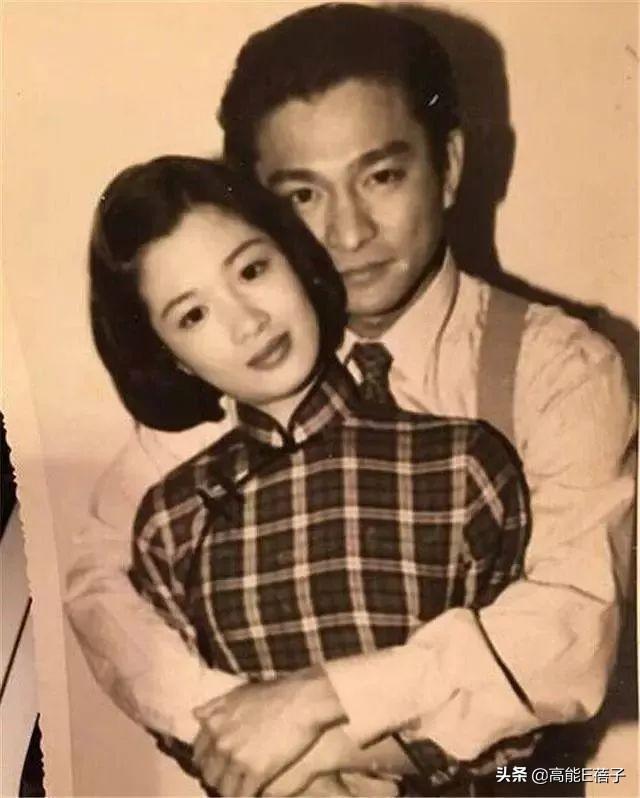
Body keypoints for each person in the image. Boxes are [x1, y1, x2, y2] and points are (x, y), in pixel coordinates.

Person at [65, 3, 636, 796]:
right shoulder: (253, 361)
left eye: (381, 176)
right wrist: (230, 727)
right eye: (304, 195)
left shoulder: (557, 366)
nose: (350, 230)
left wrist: (320, 711)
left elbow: (566, 632)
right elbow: (101, 579)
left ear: (449, 165)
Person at [89, 154, 534, 796]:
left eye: (251, 270)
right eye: (193, 315)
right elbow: (203, 736)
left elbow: (525, 728)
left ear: (295, 258)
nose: (248, 321)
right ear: (170, 359)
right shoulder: (172, 521)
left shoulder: (462, 464)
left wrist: (354, 757)